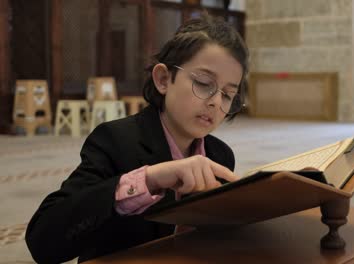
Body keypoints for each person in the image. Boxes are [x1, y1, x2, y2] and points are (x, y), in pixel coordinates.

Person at [26, 13, 249, 263]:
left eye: (228, 95)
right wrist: (149, 179)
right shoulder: (116, 140)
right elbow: (42, 240)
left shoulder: (219, 156)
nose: (216, 102)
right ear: (164, 79)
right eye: (204, 83)